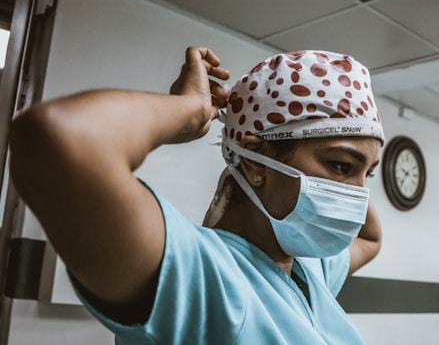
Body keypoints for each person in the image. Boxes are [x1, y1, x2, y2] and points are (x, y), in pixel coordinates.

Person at [8, 46, 384, 344]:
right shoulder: (204, 278)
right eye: (339, 166)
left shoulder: (308, 269)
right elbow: (59, 139)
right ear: (257, 164)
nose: (359, 197)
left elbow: (370, 237)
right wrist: (191, 110)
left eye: (368, 173)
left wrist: (354, 158)